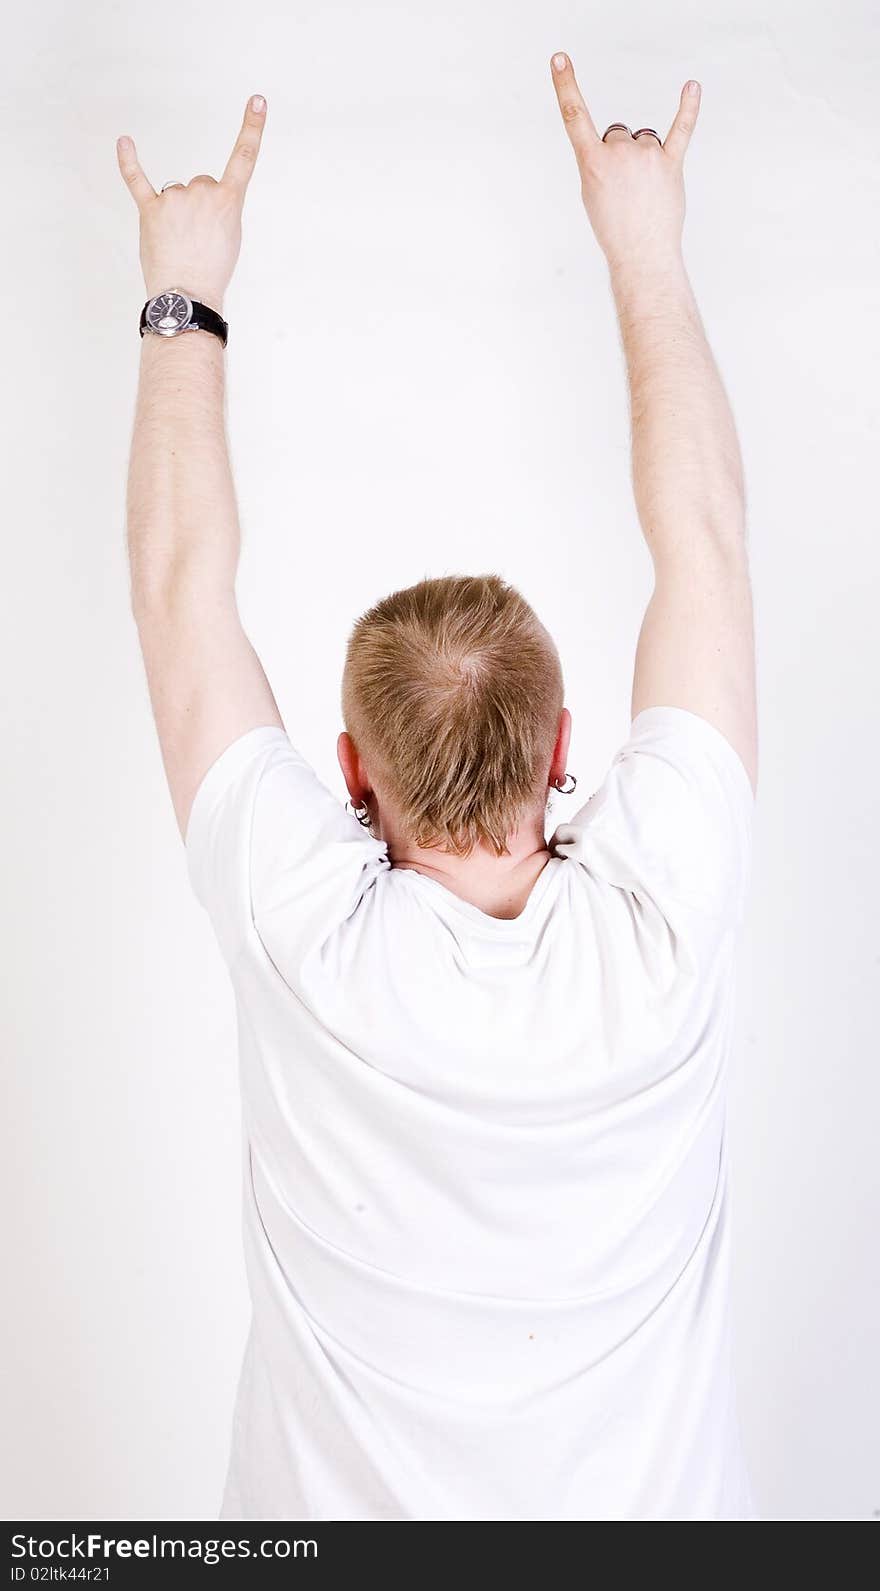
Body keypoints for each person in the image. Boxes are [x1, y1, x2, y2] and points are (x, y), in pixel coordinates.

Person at [118, 51, 758, 1522]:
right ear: (563, 747)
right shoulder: (667, 915)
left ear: (349, 774)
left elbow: (175, 589)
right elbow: (708, 545)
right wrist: (647, 248)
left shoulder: (307, 937)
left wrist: (185, 296)